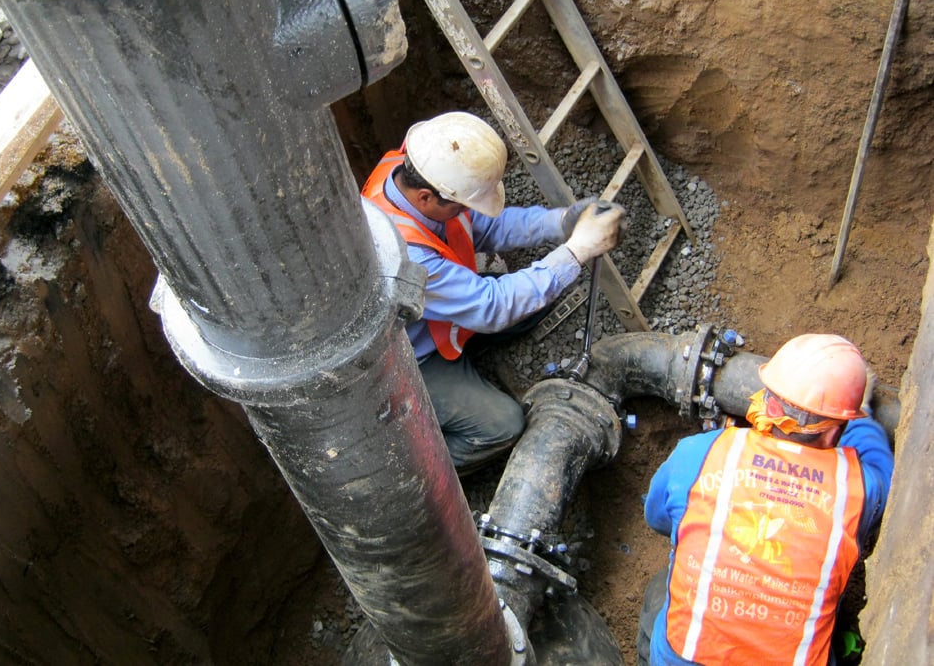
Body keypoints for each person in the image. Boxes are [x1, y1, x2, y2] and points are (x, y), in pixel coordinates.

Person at [362, 111, 625, 471]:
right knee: (502, 426)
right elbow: (492, 307)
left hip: (432, 320)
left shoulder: (413, 166)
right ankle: (418, 480)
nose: (466, 212)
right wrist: (577, 251)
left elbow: (485, 226)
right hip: (406, 362)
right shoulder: (404, 256)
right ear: (426, 198)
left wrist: (561, 223)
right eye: (461, 205)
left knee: (535, 297)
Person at [637, 333, 894, 666]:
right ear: (833, 432)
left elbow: (656, 517)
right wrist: (863, 418)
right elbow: (882, 466)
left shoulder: (700, 452)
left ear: (767, 399)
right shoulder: (859, 488)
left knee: (663, 588)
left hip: (681, 657)